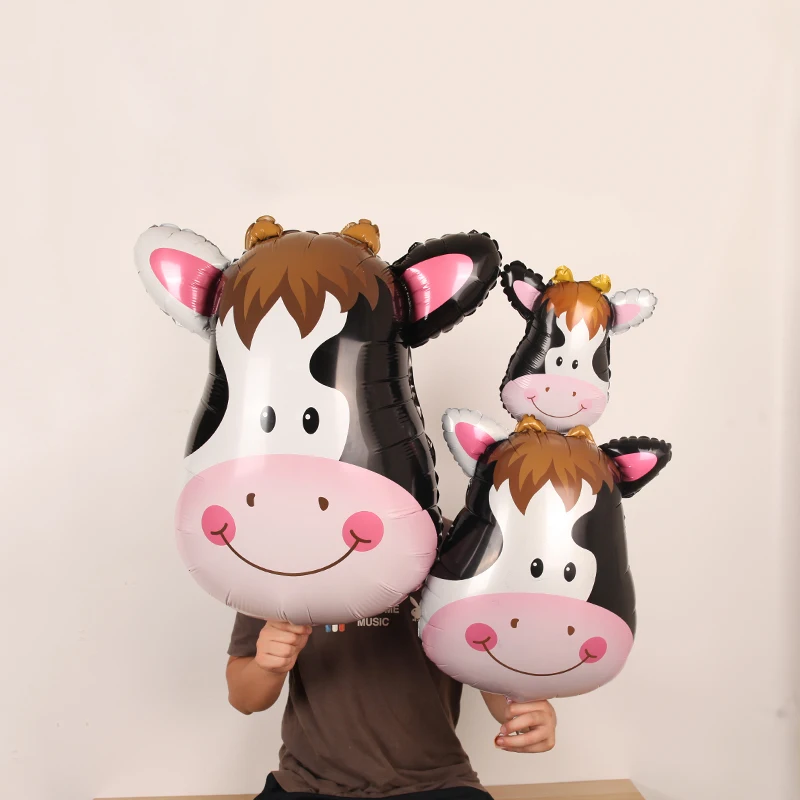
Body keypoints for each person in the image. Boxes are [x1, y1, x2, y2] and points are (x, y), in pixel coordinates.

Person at [226, 537, 558, 800]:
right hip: (308, 785)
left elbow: (490, 668)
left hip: (439, 783)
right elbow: (244, 699)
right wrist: (267, 665)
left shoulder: (456, 546)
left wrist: (526, 709)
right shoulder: (280, 560)